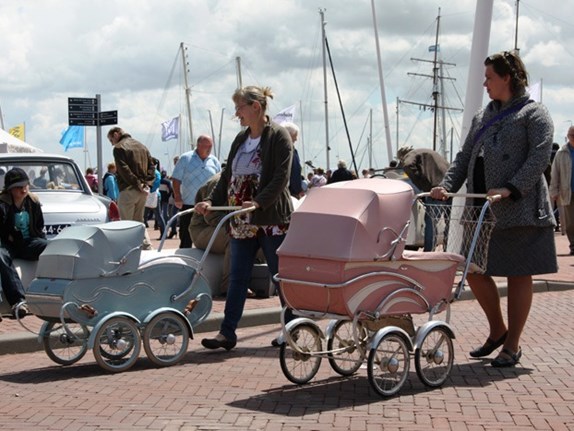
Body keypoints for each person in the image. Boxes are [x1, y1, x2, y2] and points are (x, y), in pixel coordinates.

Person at [430, 50, 557, 368]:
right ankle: (498, 329)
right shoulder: (482, 116)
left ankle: (512, 345)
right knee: (472, 270)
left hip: (519, 208)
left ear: (507, 78)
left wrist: (511, 189)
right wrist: (446, 185)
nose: (485, 83)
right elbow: (464, 156)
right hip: (480, 208)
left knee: (517, 274)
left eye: (489, 77)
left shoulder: (535, 114)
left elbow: (539, 157)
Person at [196, 85, 294, 351]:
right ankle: (227, 333)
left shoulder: (279, 136)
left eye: (239, 107)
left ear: (255, 107)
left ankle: (293, 328)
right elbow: (227, 176)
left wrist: (259, 202)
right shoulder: (240, 139)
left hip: (270, 218)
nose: (236, 114)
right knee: (238, 277)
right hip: (240, 218)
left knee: (279, 275)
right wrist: (211, 200)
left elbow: (280, 178)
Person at [0, 168, 49, 319]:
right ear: (10, 189)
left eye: (25, 185)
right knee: (1, 256)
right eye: (19, 187)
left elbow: (39, 226)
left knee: (52, 249)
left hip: (29, 242)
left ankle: (55, 296)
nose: (23, 189)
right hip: (9, 244)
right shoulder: (3, 204)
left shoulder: (33, 201)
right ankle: (18, 302)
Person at [107, 126, 156, 250]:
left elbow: (124, 170)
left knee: (126, 225)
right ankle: (146, 248)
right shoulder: (142, 146)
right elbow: (152, 166)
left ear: (116, 134)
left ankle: (128, 252)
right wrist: (146, 183)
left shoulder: (119, 148)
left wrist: (137, 183)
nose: (112, 143)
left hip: (129, 189)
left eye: (111, 140)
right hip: (143, 191)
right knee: (139, 222)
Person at [172, 135, 221, 248]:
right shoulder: (185, 158)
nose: (209, 149)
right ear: (198, 145)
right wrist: (177, 196)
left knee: (208, 234)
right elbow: (176, 179)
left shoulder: (214, 161)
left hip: (208, 205)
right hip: (189, 203)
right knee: (186, 235)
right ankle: (184, 259)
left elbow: (219, 180)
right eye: (206, 146)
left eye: (210, 146)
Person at [398, 146, 450, 251]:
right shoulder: (427, 152)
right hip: (450, 187)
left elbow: (407, 165)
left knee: (431, 222)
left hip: (435, 189)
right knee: (449, 222)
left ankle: (428, 251)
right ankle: (448, 249)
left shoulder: (410, 155)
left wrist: (424, 186)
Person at [189, 173, 230, 296]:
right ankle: (229, 286)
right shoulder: (218, 182)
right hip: (202, 229)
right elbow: (211, 216)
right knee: (235, 237)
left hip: (222, 225)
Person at [549, 126, 574, 255]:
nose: (573, 137)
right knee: (570, 222)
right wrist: (554, 191)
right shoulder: (561, 153)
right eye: (572, 135)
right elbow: (555, 173)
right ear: (568, 136)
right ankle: (573, 245)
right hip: (568, 191)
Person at [282, 122, 304, 199]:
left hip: (293, 191)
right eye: (295, 135)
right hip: (289, 192)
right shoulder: (285, 151)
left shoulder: (294, 151)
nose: (296, 139)